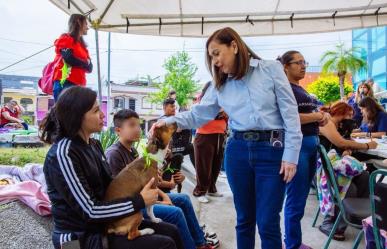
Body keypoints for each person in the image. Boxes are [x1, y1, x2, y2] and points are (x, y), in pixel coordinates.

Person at [153, 27, 302, 249]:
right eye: (210, 57)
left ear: (234, 46)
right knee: (244, 220)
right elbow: (198, 114)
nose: (214, 62)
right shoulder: (218, 85)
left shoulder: (270, 69)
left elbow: (290, 114)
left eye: (216, 53)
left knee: (268, 221)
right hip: (238, 150)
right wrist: (166, 121)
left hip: (272, 150)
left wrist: (291, 155)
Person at [40, 86, 182, 249]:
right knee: (165, 244)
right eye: (95, 111)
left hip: (104, 223)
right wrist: (139, 201)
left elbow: (112, 183)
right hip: (77, 239)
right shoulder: (63, 154)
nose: (102, 114)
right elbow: (89, 211)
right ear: (77, 117)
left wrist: (141, 175)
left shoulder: (93, 144)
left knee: (171, 231)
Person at [105, 109, 219, 249]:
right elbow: (124, 194)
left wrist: (167, 190)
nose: (137, 129)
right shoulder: (113, 154)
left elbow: (147, 181)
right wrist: (162, 198)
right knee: (176, 212)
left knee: (183, 198)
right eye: (131, 125)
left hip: (142, 199)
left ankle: (199, 242)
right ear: (118, 130)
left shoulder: (133, 151)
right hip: (131, 207)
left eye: (138, 124)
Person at [278, 51, 330, 249]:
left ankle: (294, 241)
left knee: (299, 198)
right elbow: (289, 118)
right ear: (285, 66)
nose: (303, 66)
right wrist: (317, 117)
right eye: (298, 63)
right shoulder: (285, 89)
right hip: (297, 147)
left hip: (310, 145)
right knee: (296, 199)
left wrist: (320, 116)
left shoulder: (300, 89)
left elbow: (309, 114)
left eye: (304, 62)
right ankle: (292, 244)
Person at [317, 101, 377, 241]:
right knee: (349, 188)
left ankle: (355, 218)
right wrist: (367, 145)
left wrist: (348, 150)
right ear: (341, 112)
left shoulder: (341, 125)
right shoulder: (326, 122)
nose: (351, 118)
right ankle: (330, 223)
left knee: (364, 177)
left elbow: (346, 143)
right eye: (349, 114)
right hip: (326, 168)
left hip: (339, 165)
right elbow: (340, 142)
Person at [192, 81, 228, 204]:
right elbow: (202, 113)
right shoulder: (200, 99)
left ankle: (212, 188)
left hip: (220, 135)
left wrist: (224, 112)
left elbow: (229, 113)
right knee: (204, 167)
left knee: (216, 165)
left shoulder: (224, 99)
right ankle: (200, 191)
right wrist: (220, 112)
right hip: (204, 136)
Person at [52, 14, 93, 101]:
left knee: (75, 114)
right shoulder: (66, 38)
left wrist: (80, 62)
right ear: (78, 22)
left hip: (79, 86)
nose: (88, 27)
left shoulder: (83, 46)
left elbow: (90, 68)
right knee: (64, 113)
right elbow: (69, 58)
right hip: (65, 83)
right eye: (86, 24)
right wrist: (85, 63)